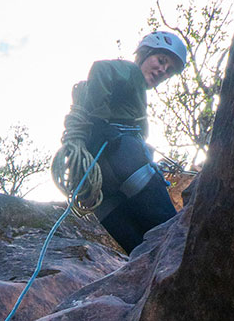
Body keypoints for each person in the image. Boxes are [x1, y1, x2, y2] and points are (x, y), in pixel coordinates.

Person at [51, 30, 188, 253]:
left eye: (169, 70)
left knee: (141, 251)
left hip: (99, 190)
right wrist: (99, 122)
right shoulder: (131, 72)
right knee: (172, 236)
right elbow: (101, 69)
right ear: (145, 54)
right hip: (125, 161)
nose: (163, 70)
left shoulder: (129, 94)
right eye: (161, 61)